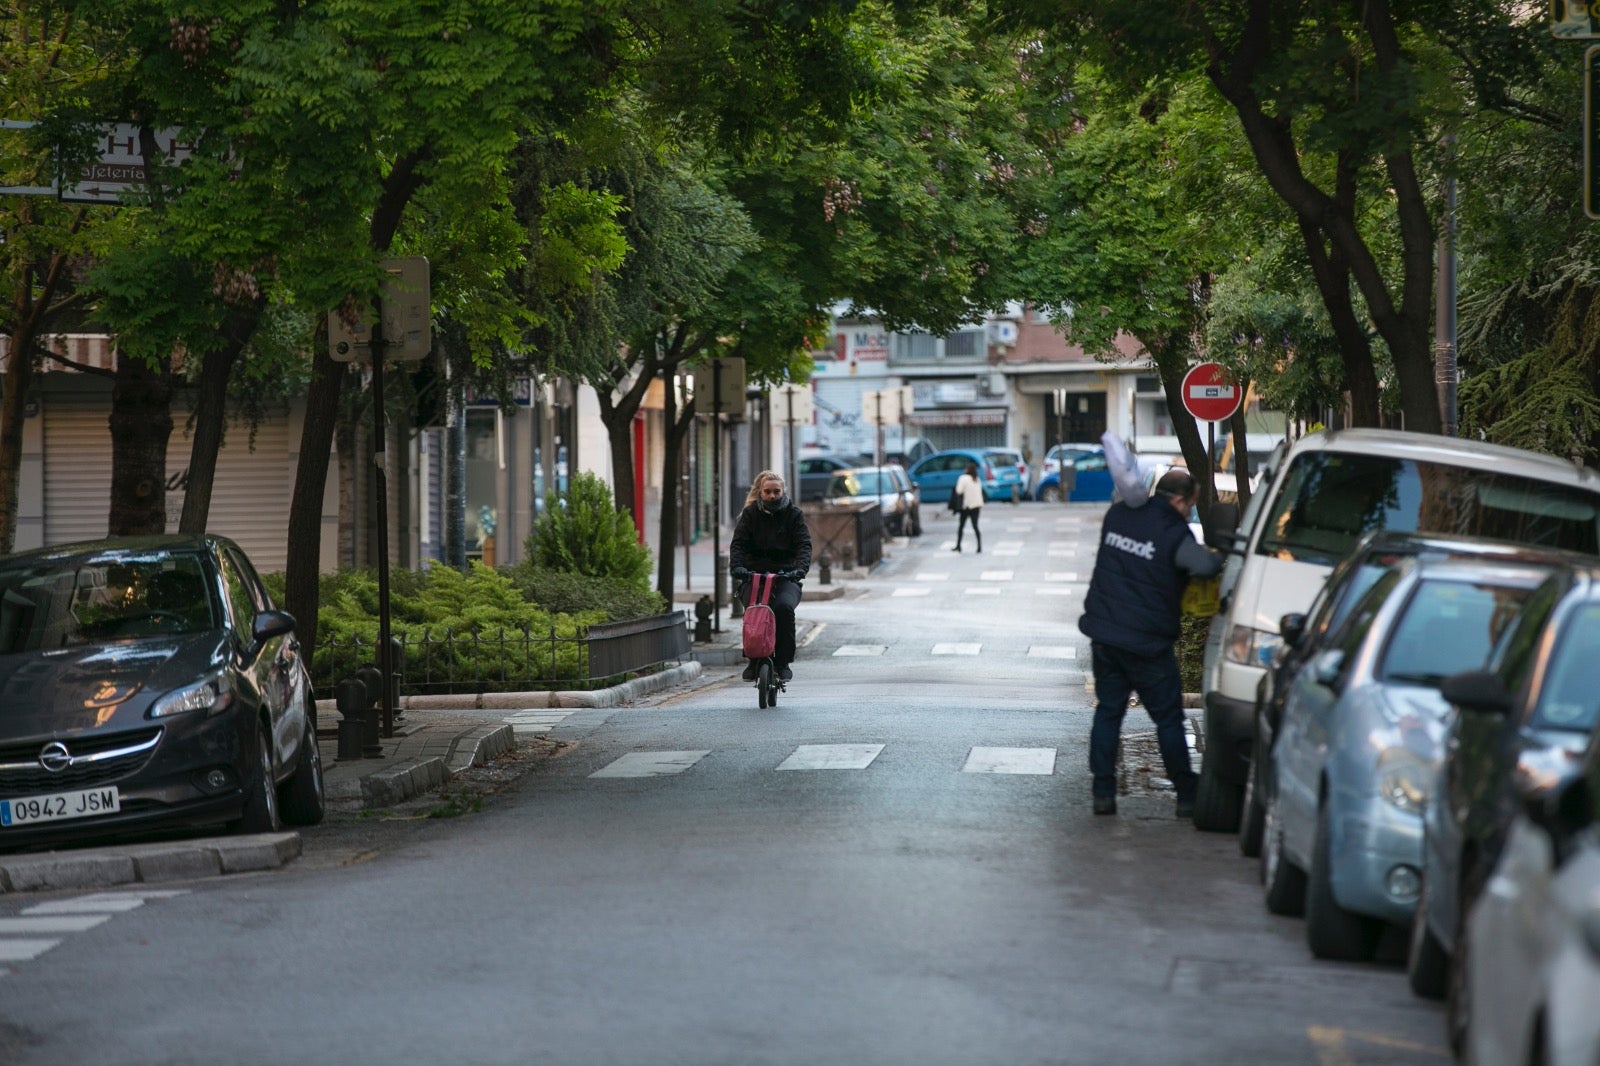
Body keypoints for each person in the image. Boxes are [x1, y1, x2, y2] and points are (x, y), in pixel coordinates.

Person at [1078, 467, 1221, 818]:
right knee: (1168, 719)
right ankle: (1186, 795)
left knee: (1109, 713)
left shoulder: (1117, 516)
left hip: (1106, 636)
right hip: (1147, 645)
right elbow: (1203, 565)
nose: (1190, 511)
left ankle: (1102, 793)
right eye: (1190, 505)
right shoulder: (1173, 531)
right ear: (1178, 500)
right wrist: (1219, 556)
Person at [729, 470, 812, 682]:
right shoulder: (750, 515)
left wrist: (799, 570)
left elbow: (804, 545)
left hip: (786, 577)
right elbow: (738, 545)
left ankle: (783, 662)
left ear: (783, 491)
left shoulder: (794, 515)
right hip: (754, 576)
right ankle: (754, 660)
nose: (772, 496)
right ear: (760, 492)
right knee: (755, 612)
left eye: (776, 491)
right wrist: (737, 567)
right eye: (767, 492)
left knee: (784, 609)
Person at [952, 462, 984, 553]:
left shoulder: (963, 478)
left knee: (961, 526)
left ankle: (958, 545)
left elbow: (959, 491)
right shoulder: (977, 479)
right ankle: (979, 546)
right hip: (977, 505)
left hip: (966, 506)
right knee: (975, 526)